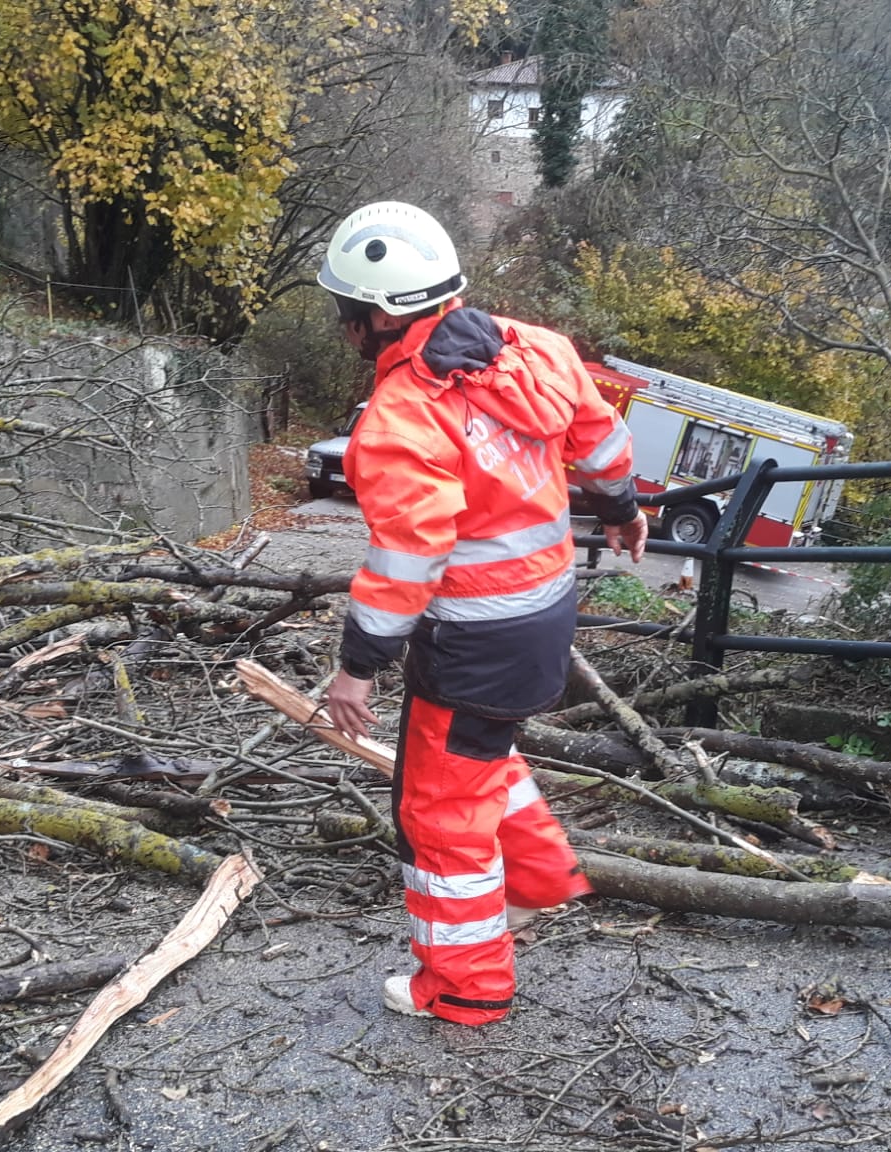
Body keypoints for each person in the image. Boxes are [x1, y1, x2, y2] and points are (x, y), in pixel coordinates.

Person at [317, 200, 647, 1025]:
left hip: (472, 639)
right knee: (480, 757)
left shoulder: (402, 417)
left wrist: (355, 671)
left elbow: (409, 559)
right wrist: (622, 507)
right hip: (544, 618)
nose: (343, 327)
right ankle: (538, 882)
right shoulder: (534, 348)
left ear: (378, 317)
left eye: (346, 312)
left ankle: (465, 986)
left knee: (441, 813)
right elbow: (599, 438)